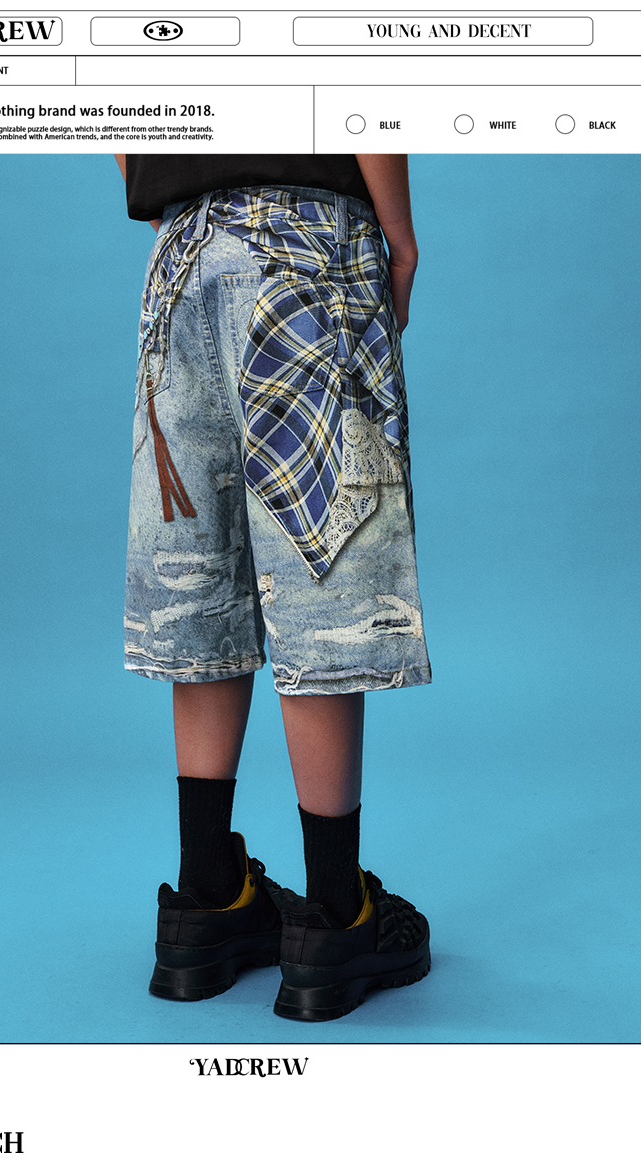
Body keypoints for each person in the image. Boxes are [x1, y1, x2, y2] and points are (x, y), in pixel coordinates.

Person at [115, 154, 431, 1021]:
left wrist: (168, 191)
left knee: (198, 578)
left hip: (181, 256)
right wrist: (399, 237)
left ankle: (207, 900)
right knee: (319, 577)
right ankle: (335, 916)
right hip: (307, 241)